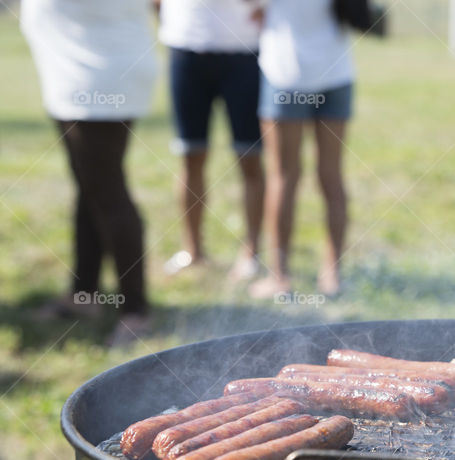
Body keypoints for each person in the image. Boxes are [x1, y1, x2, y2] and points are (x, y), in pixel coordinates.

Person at [21, 0, 158, 346]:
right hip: (84, 74)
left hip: (95, 79)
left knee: (107, 191)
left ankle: (136, 312)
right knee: (90, 187)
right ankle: (85, 294)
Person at [250, 0, 354, 298]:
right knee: (332, 175)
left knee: (283, 176)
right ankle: (333, 274)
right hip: (336, 70)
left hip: (286, 72)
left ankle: (279, 277)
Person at [157, 0, 266, 280]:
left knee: (249, 157)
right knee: (190, 154)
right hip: (186, 48)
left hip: (243, 51)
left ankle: (251, 252)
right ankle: (192, 250)